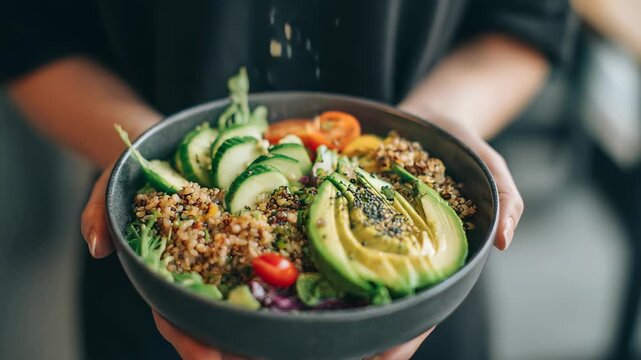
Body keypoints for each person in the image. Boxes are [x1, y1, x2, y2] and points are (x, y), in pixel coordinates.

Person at [2, 0, 574, 359]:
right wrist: (150, 150)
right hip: (154, 299)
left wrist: (430, 125)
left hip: (417, 289)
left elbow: (526, 19)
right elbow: (31, 32)